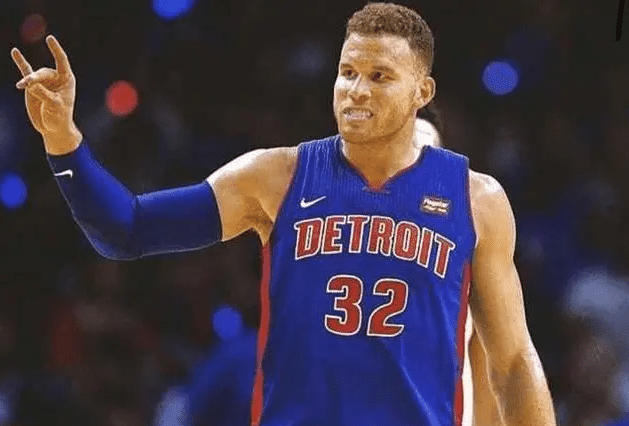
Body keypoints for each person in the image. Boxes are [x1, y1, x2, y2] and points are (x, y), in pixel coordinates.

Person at [11, 2, 556, 425]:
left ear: (422, 91)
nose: (356, 90)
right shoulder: (276, 177)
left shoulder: (476, 200)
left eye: (380, 76)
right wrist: (64, 143)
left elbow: (512, 363)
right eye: (347, 71)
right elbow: (126, 230)